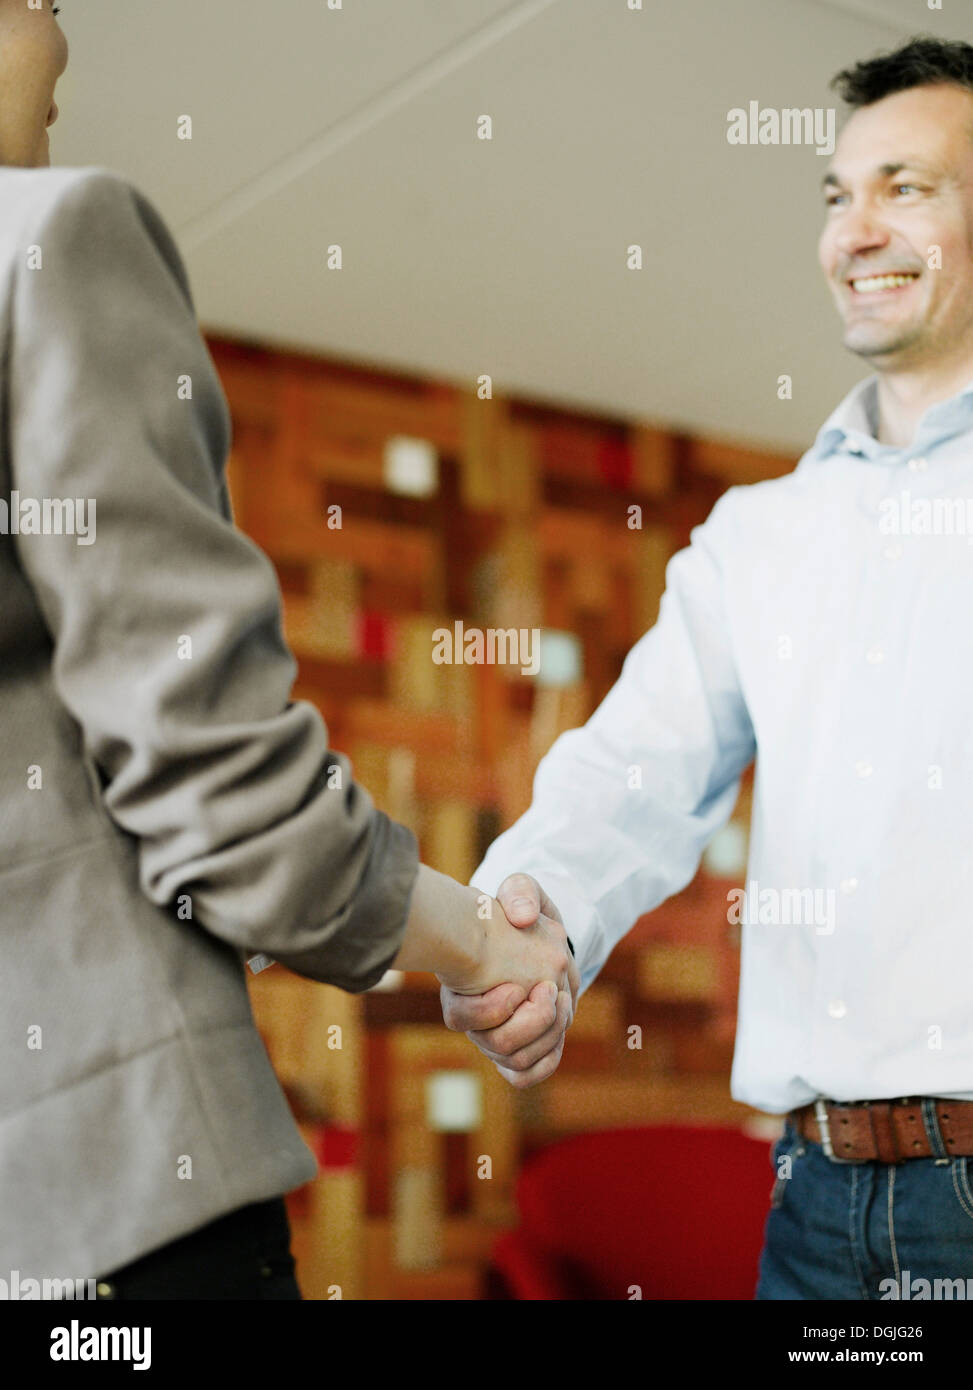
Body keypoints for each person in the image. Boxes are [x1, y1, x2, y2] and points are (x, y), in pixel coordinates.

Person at [0, 0, 577, 1299]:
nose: (63, 40)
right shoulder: (47, 241)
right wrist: (484, 943)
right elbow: (225, 801)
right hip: (108, 1212)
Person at [444, 34, 973, 1300]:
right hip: (811, 1203)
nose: (855, 229)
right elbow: (633, 768)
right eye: (838, 194)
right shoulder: (759, 537)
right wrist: (526, 921)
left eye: (908, 187)